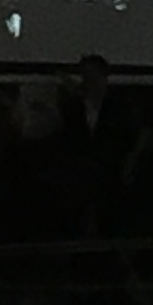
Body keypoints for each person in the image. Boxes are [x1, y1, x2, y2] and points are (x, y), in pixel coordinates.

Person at [52, 53, 124, 238]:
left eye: (93, 75)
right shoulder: (72, 107)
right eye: (85, 75)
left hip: (109, 177)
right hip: (79, 178)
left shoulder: (119, 107)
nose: (89, 81)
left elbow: (123, 141)